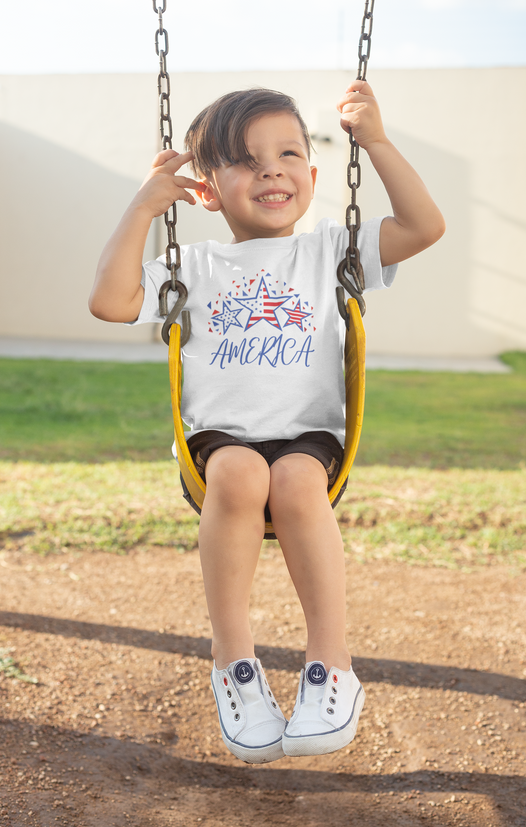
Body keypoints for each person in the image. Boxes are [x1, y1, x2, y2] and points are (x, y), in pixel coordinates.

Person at [89, 81, 445, 764]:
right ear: (207, 190)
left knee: (295, 481)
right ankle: (233, 661)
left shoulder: (328, 253)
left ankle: (330, 663)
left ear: (312, 176)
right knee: (241, 469)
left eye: (286, 153)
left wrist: (373, 141)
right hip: (217, 440)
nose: (271, 169)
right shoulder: (190, 265)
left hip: (308, 436)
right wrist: (142, 205)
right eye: (246, 160)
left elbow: (424, 226)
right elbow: (109, 301)